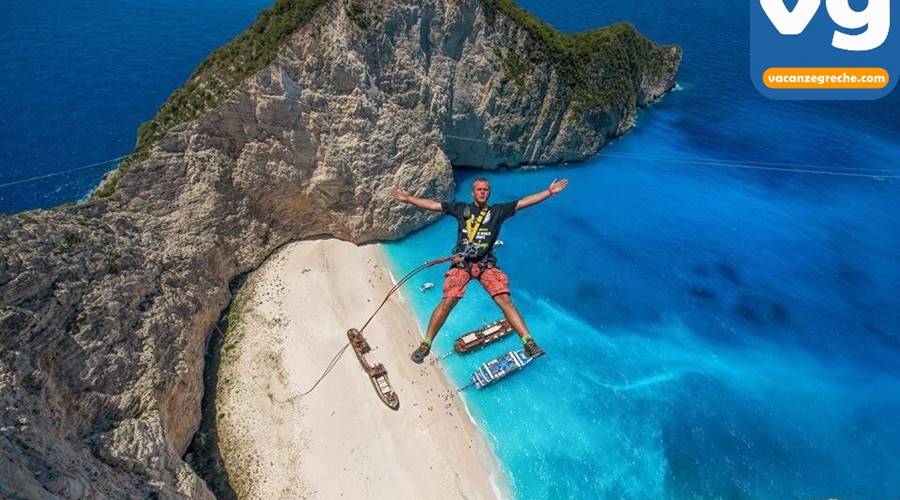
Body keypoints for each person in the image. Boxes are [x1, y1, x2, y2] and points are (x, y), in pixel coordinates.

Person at [391, 177, 569, 363]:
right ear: (473, 192)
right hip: (463, 263)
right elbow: (434, 205)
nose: (483, 192)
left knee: (504, 301)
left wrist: (548, 192)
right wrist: (410, 199)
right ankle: (426, 344)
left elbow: (524, 202)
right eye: (479, 189)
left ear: (489, 193)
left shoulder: (498, 211)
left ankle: (528, 342)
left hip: (485, 264)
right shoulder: (461, 209)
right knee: (447, 302)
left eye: (486, 189)